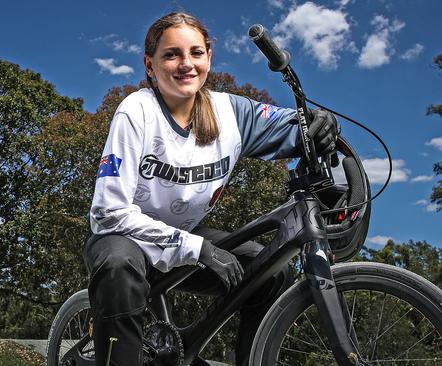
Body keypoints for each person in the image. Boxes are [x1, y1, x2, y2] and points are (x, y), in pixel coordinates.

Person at [85, 12, 339, 366]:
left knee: (271, 271)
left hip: (185, 234)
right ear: (150, 64)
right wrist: (198, 249)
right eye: (172, 54)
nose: (186, 64)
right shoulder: (136, 111)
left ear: (209, 57)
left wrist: (318, 122)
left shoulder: (229, 112)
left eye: (196, 53)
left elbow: (290, 125)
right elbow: (108, 213)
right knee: (117, 266)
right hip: (125, 237)